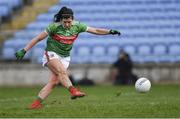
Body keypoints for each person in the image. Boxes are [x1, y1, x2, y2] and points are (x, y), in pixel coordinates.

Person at [15, 6, 120, 109]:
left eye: (69, 22)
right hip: (51, 53)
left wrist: (109, 31)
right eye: (64, 22)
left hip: (65, 57)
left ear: (72, 19)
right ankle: (74, 91)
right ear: (61, 20)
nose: (67, 24)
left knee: (54, 82)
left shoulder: (78, 26)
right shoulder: (53, 27)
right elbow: (38, 38)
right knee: (62, 72)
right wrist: (24, 50)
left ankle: (35, 104)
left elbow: (95, 30)